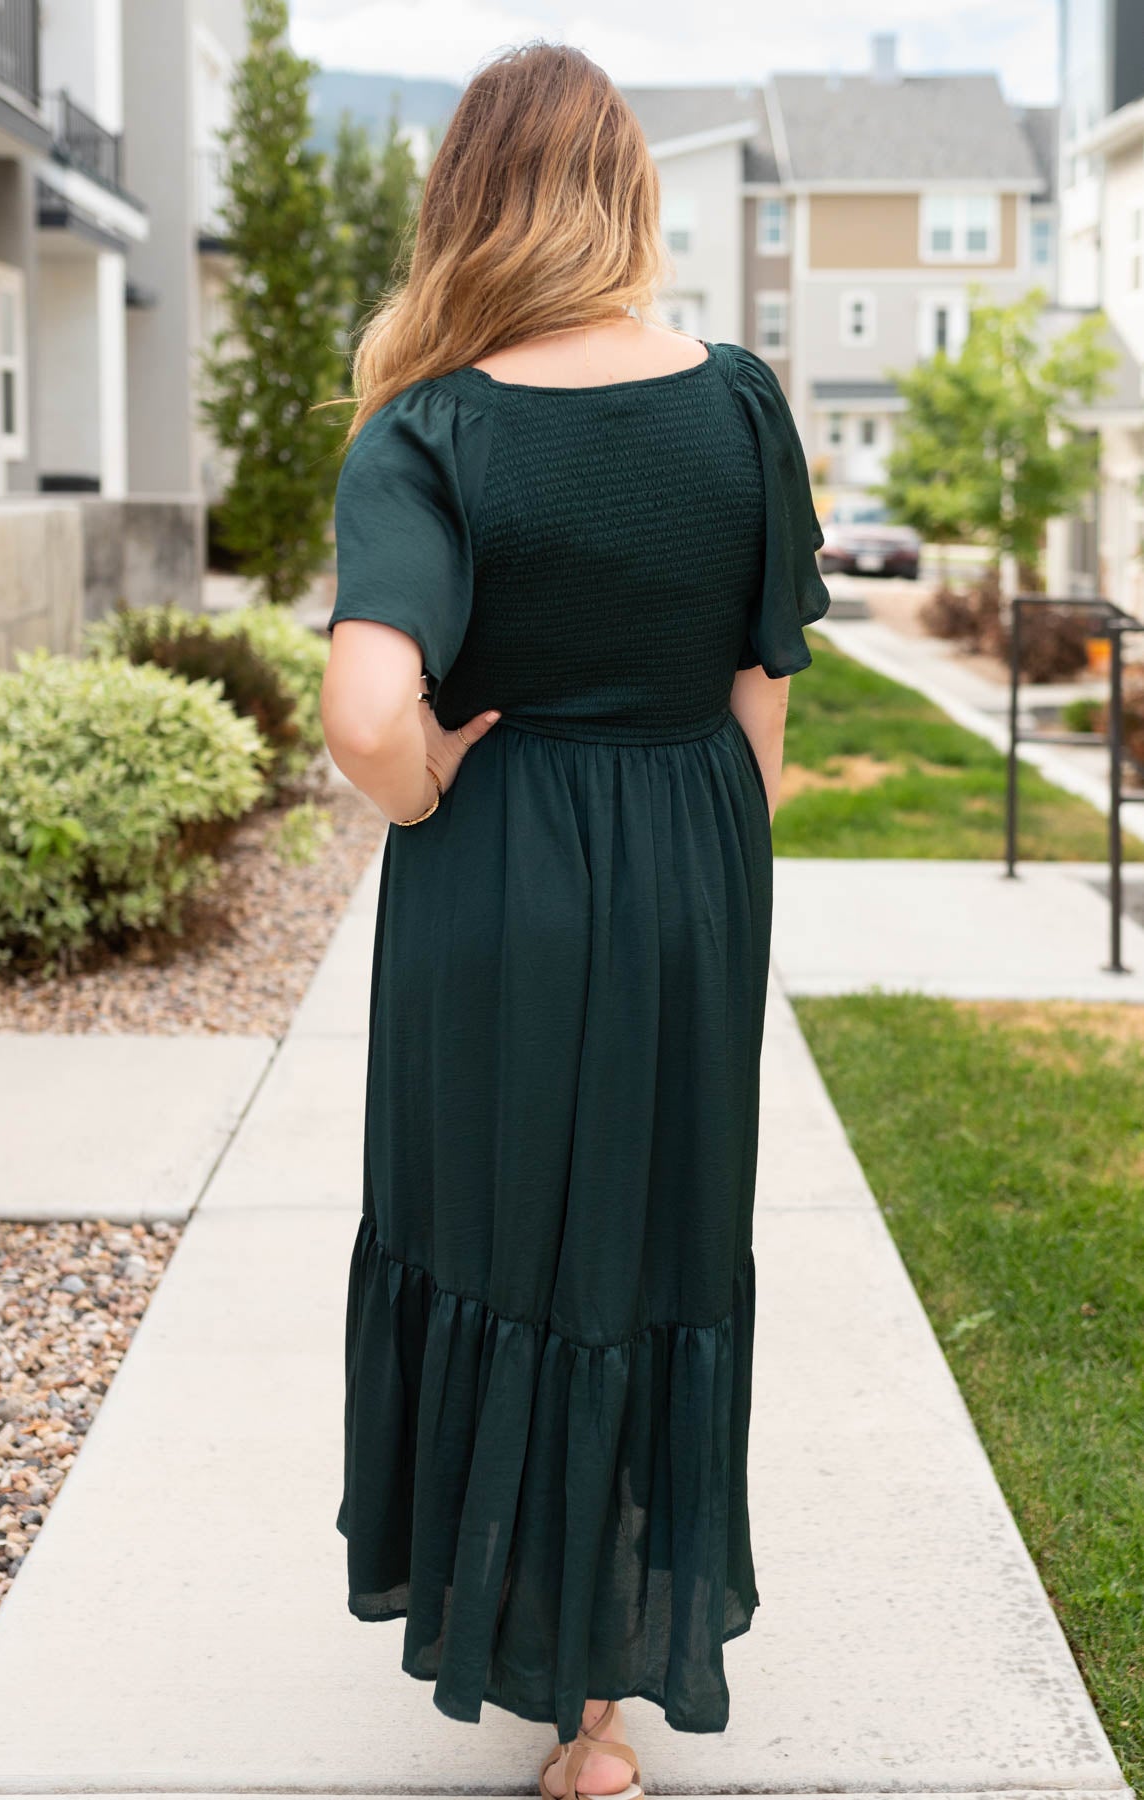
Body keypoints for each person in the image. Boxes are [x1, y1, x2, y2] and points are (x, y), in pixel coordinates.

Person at [319, 40, 829, 1800]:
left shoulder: (431, 423)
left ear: (458, 198)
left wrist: (429, 787)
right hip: (690, 866)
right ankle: (599, 1715)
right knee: (648, 1244)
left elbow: (371, 719)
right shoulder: (742, 400)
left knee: (496, 1240)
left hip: (500, 878)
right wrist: (702, 884)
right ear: (626, 192)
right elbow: (765, 705)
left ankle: (531, 1647)